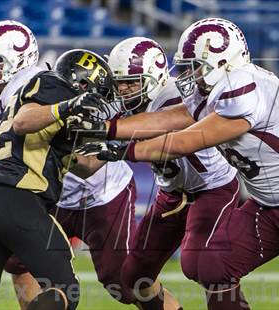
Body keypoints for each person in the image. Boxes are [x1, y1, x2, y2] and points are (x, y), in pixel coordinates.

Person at [76, 18, 279, 310]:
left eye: (196, 66)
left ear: (223, 62)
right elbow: (174, 117)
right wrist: (108, 130)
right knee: (212, 266)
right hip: (268, 202)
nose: (189, 74)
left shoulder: (243, 86)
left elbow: (188, 140)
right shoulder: (217, 88)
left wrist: (122, 151)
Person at [75, 36, 242, 310]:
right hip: (171, 195)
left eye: (132, 81)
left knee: (207, 268)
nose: (125, 89)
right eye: (120, 83)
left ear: (154, 76)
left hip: (213, 188)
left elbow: (164, 135)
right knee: (135, 277)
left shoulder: (177, 95)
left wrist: (113, 136)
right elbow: (91, 162)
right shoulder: (125, 106)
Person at [0, 48, 109, 310]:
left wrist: (117, 146)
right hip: (20, 199)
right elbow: (23, 122)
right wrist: (70, 105)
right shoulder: (52, 85)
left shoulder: (50, 105)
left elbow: (86, 167)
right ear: (84, 84)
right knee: (65, 290)